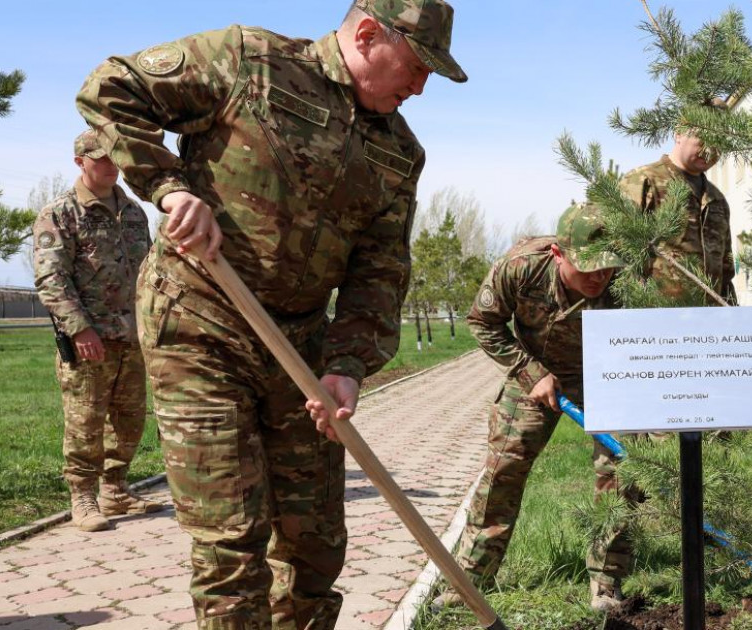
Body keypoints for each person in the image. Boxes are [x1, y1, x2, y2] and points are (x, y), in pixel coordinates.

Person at [75, 1, 465, 627]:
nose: (421, 86)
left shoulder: (400, 154)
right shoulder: (249, 62)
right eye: (417, 66)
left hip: (302, 347)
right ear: (367, 35)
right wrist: (169, 188)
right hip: (200, 324)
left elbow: (379, 271)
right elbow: (111, 90)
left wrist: (347, 366)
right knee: (233, 540)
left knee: (314, 545)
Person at [444, 203, 634, 612]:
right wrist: (531, 372)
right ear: (558, 254)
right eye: (589, 267)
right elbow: (482, 321)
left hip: (606, 374)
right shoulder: (521, 266)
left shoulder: (626, 280)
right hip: (535, 371)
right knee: (503, 470)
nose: (601, 276)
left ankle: (606, 580)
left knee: (619, 473)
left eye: (608, 267)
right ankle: (469, 580)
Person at [32, 129, 161, 533]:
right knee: (85, 420)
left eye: (115, 157)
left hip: (134, 335)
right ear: (80, 162)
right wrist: (79, 329)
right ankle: (83, 496)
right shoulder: (60, 213)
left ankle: (116, 488)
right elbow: (52, 277)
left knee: (129, 420)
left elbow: (151, 269)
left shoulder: (134, 211)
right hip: (90, 339)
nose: (111, 165)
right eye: (101, 158)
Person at [619, 131, 737, 304]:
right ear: (678, 134)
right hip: (656, 320)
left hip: (711, 322)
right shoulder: (643, 181)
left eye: (719, 142)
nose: (710, 149)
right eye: (703, 138)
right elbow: (619, 258)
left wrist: (733, 315)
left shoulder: (716, 199)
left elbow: (726, 273)